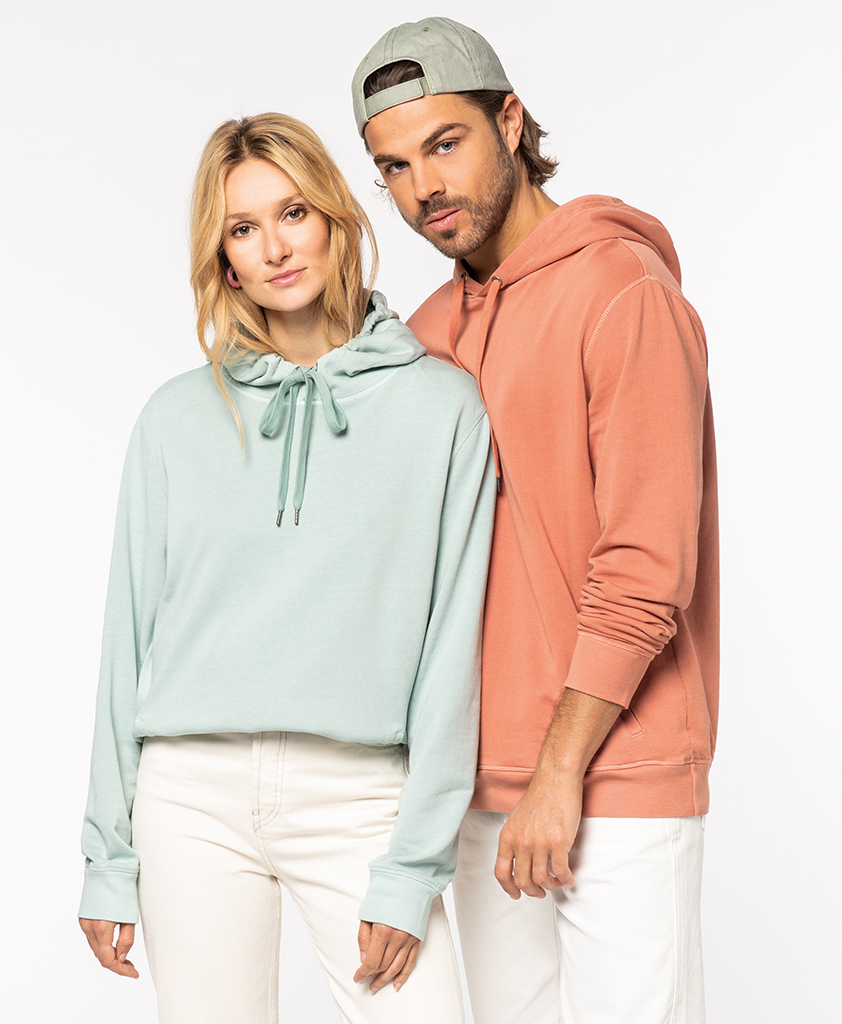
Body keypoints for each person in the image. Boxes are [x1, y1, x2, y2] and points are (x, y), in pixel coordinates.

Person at [77, 111, 495, 1024]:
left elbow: (451, 648)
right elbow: (126, 639)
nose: (274, 247)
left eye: (293, 212)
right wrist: (108, 856)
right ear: (224, 259)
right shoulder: (174, 419)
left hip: (360, 795)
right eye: (243, 227)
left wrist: (413, 862)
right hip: (189, 795)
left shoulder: (442, 409)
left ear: (336, 218)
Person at [352, 17, 719, 1024]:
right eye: (394, 167)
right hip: (477, 793)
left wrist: (560, 774)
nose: (424, 187)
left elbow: (646, 563)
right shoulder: (426, 337)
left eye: (445, 144)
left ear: (509, 122)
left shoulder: (621, 291)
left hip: (617, 779)